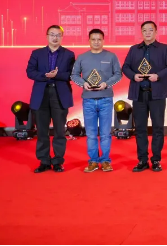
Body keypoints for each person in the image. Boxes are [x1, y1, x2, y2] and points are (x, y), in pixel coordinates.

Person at [122, 21, 167, 172]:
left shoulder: (164, 48)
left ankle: (156, 160)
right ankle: (142, 160)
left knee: (158, 127)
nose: (147, 33)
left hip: (157, 94)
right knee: (140, 128)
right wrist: (133, 76)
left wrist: (158, 75)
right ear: (141, 32)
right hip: (138, 94)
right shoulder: (134, 49)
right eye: (144, 30)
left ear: (156, 32)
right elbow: (125, 67)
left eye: (150, 30)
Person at [71, 29, 122, 173]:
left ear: (103, 40)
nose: (96, 42)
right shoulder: (82, 57)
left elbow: (118, 74)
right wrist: (83, 84)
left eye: (99, 39)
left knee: (105, 133)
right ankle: (93, 161)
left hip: (106, 98)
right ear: (89, 41)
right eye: (93, 39)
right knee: (91, 134)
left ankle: (105, 161)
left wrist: (107, 84)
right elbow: (74, 75)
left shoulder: (111, 56)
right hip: (88, 100)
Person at [26, 25, 75, 173]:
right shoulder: (37, 53)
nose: (55, 38)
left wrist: (57, 75)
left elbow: (72, 74)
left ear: (62, 37)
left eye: (58, 35)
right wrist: (45, 76)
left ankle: (58, 161)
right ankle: (44, 161)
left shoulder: (69, 54)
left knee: (60, 130)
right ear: (47, 36)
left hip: (59, 94)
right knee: (42, 130)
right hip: (41, 93)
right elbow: (30, 72)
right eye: (52, 35)